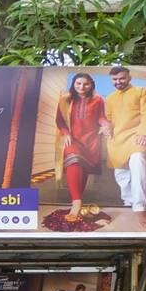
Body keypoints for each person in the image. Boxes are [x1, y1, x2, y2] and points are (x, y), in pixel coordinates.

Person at [105, 65, 146, 228]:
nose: (118, 82)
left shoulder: (142, 91)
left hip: (136, 136)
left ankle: (140, 208)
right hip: (116, 140)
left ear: (129, 77)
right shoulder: (110, 98)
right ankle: (128, 203)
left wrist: (143, 134)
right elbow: (109, 118)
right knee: (122, 174)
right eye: (115, 79)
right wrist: (106, 128)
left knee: (137, 162)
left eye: (122, 78)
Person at [54, 72, 106, 223]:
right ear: (73, 84)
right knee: (74, 161)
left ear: (91, 85)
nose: (82, 87)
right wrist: (66, 133)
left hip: (91, 141)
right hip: (73, 139)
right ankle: (76, 202)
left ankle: (78, 199)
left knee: (82, 170)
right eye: (78, 84)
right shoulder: (65, 99)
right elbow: (59, 120)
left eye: (85, 84)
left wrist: (105, 125)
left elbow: (101, 117)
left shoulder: (98, 100)